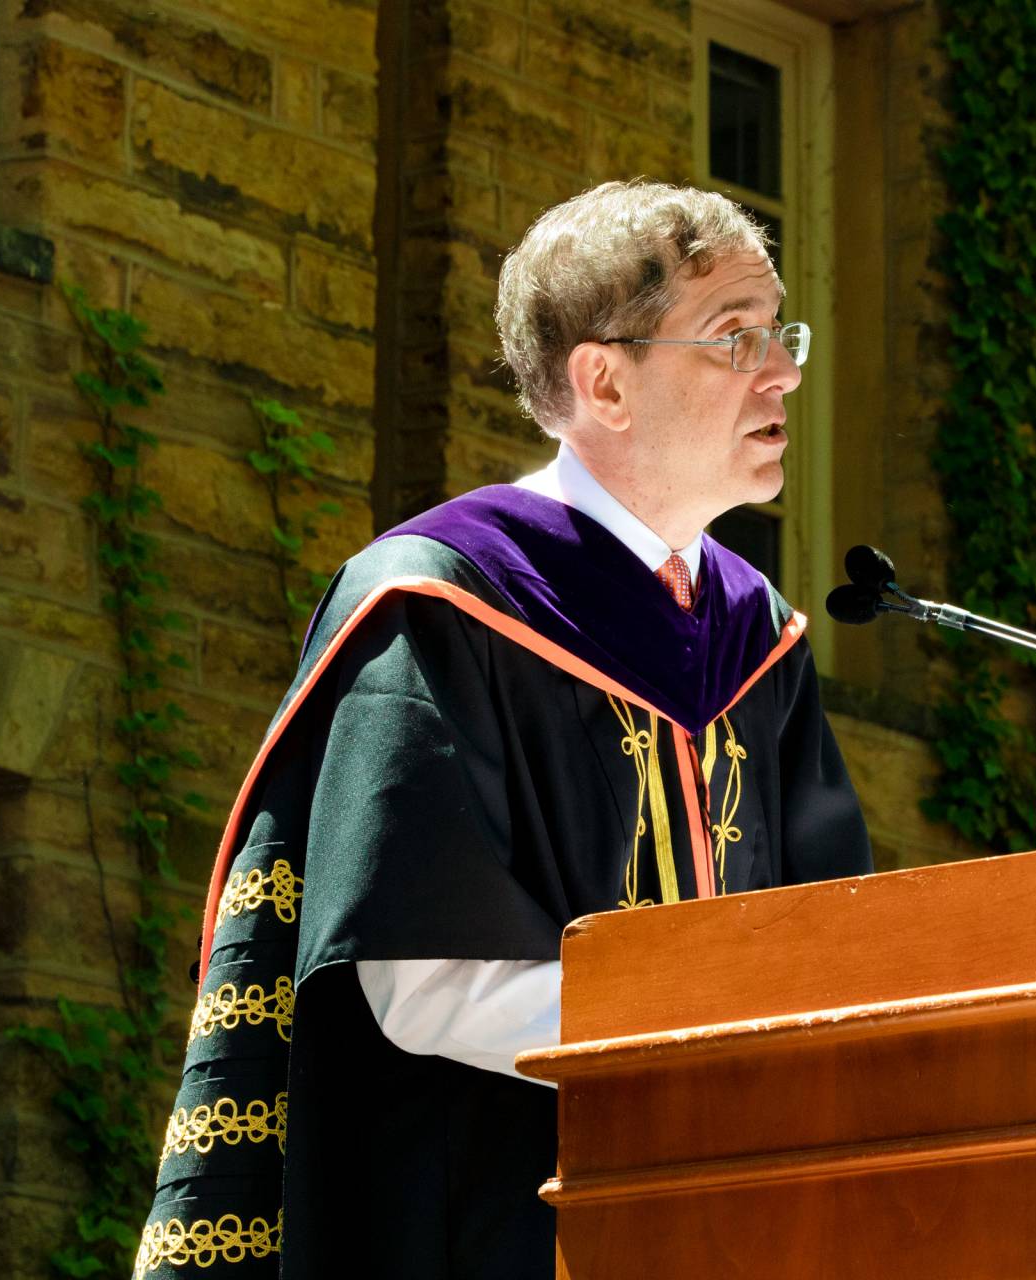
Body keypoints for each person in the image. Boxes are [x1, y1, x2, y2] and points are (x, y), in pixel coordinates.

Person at [133, 180, 873, 1278]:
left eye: (783, 334)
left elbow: (847, 950)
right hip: (503, 1227)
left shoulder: (754, 637)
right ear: (604, 381)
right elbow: (421, 979)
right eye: (736, 338)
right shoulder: (445, 600)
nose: (785, 371)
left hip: (734, 1223)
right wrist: (715, 1029)